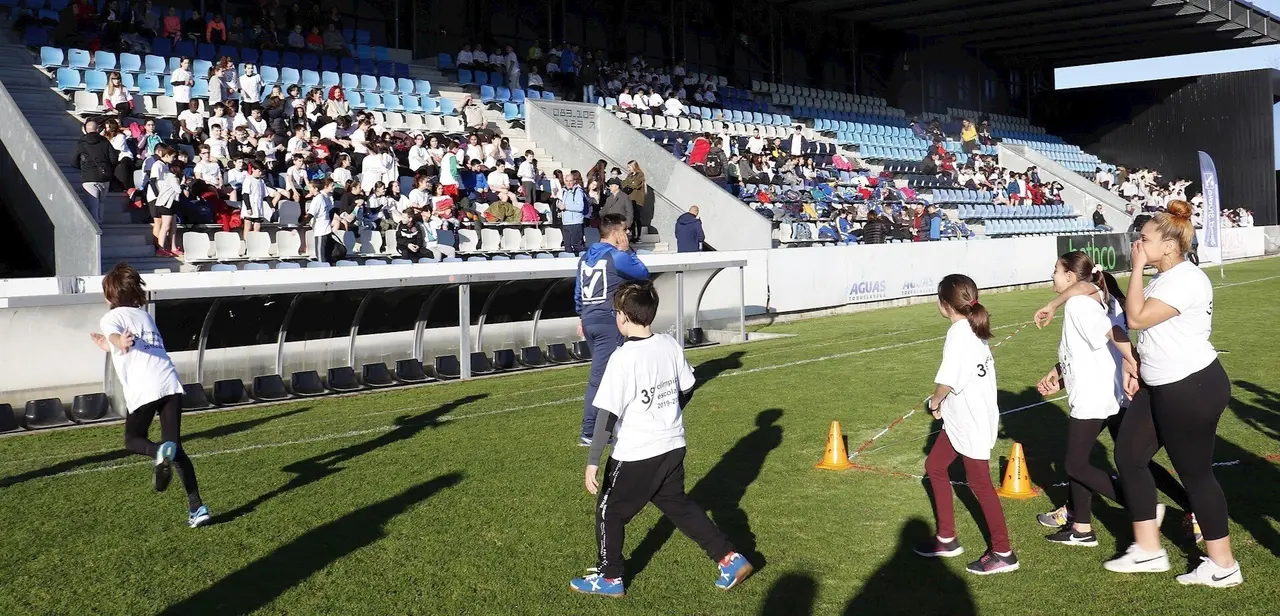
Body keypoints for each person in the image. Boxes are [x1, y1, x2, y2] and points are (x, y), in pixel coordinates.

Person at [1038, 201, 1240, 587]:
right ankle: (1148, 550)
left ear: (1167, 245)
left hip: (1191, 386)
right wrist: (1137, 368)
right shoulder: (1165, 278)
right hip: (1159, 384)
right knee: (1129, 455)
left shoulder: (1184, 278)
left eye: (1144, 239)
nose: (1137, 244)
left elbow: (1136, 319)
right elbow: (1147, 333)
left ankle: (1223, 564)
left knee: (1196, 476)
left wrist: (1134, 268)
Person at [570, 280, 753, 598]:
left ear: (624, 317)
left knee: (608, 511)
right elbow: (688, 385)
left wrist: (592, 461)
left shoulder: (623, 358)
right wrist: (668, 412)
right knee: (677, 505)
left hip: (638, 452)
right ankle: (729, 559)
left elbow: (606, 417)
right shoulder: (669, 344)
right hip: (672, 445)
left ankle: (610, 577)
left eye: (616, 312)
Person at [1033, 258, 1196, 543]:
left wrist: (1132, 360)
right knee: (1127, 460)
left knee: (1076, 464)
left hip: (1097, 396)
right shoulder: (1095, 300)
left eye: (1056, 271)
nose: (1052, 276)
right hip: (1110, 394)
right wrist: (1058, 374)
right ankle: (1080, 524)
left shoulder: (1078, 304)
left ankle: (1142, 508)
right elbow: (1087, 349)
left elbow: (1112, 333)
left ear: (1071, 277)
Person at [89, 263, 211, 529]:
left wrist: (116, 341)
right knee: (176, 449)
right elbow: (137, 347)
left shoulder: (111, 317)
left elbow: (115, 333)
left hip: (145, 389)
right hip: (170, 383)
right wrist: (112, 345)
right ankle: (197, 506)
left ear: (110, 295)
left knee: (133, 440)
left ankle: (158, 453)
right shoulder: (143, 316)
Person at [915, 274, 1018, 575]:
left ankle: (1003, 552)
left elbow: (947, 380)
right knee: (935, 466)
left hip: (970, 420)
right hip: (963, 418)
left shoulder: (960, 332)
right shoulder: (972, 329)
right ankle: (947, 538)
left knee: (980, 485)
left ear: (944, 304)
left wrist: (935, 403)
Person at [574, 214, 651, 447]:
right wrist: (628, 251)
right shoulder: (616, 256)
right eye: (625, 230)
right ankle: (589, 432)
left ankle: (610, 426)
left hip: (590, 319)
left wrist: (581, 315)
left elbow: (579, 291)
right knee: (601, 379)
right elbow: (643, 274)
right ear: (616, 233)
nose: (628, 234)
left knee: (612, 375)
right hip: (608, 321)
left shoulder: (585, 257)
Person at [72, 119, 116, 223]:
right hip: (104, 177)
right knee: (101, 203)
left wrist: (84, 168)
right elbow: (114, 158)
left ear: (85, 130)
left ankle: (96, 230)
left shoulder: (81, 143)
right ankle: (100, 222)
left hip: (89, 178)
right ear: (97, 129)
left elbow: (74, 162)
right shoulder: (105, 141)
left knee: (92, 206)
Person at [560, 172, 588, 252]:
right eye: (567, 181)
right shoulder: (565, 191)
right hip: (566, 222)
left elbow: (580, 207)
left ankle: (582, 261)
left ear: (574, 181)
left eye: (570, 181)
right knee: (567, 247)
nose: (568, 183)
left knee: (577, 245)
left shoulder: (578, 191)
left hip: (575, 222)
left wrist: (565, 207)